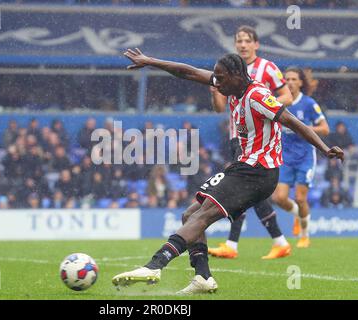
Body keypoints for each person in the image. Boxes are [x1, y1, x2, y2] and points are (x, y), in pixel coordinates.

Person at [112, 49, 343, 294]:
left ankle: (155, 264)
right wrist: (150, 61)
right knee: (191, 214)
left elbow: (294, 122)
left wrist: (325, 148)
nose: (216, 83)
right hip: (243, 167)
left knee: (203, 215)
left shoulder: (259, 96)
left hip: (259, 171)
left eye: (221, 78)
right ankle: (203, 277)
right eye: (216, 78)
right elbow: (187, 72)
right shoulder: (230, 85)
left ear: (236, 75)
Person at [209, 25, 293, 259]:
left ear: (256, 44)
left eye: (247, 40)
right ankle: (250, 243)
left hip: (259, 140)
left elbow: (287, 96)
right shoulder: (228, 70)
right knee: (247, 191)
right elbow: (218, 109)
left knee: (245, 190)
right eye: (239, 40)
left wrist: (263, 105)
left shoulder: (268, 68)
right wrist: (213, 89)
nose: (243, 44)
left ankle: (244, 243)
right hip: (237, 138)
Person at [271, 67, 330, 248]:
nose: (289, 82)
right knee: (278, 198)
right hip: (285, 157)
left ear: (300, 82)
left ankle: (304, 234)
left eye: (294, 79)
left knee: (301, 198)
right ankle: (299, 214)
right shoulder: (279, 103)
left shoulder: (309, 104)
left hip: (305, 157)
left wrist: (303, 128)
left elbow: (325, 129)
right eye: (286, 79)